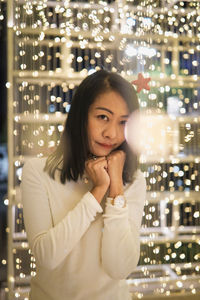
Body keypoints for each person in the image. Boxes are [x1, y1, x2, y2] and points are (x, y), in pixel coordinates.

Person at [21, 69, 146, 300]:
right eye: (102, 117)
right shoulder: (38, 172)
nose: (112, 134)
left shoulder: (133, 179)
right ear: (81, 116)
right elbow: (47, 257)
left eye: (123, 122)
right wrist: (97, 192)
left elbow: (119, 268)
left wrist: (115, 187)